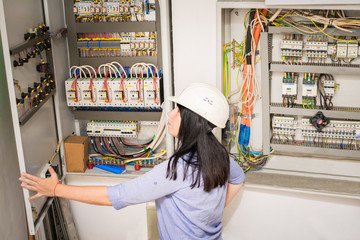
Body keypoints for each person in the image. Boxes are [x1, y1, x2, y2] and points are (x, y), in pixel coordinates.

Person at [19, 83, 245, 240]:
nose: (171, 114)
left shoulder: (176, 170)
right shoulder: (220, 155)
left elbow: (114, 196)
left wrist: (57, 189)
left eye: (178, 111)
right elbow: (238, 178)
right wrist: (210, 212)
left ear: (193, 121)